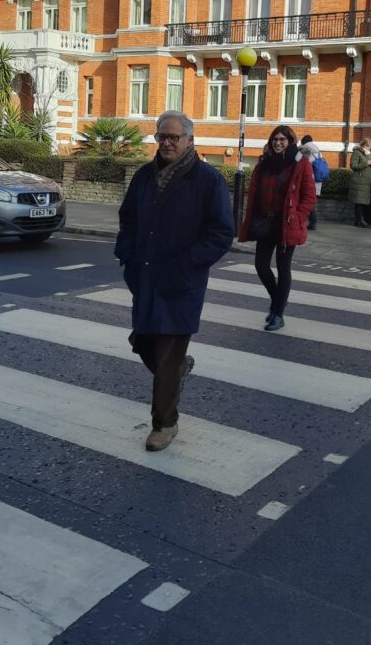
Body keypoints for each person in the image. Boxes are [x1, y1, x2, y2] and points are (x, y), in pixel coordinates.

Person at [114, 111, 234, 452]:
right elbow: (128, 218)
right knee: (143, 342)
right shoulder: (144, 176)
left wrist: (187, 266)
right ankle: (181, 368)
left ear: (189, 141)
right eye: (161, 136)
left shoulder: (207, 180)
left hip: (181, 283)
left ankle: (164, 424)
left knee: (165, 357)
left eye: (174, 137)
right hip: (146, 277)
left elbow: (222, 233)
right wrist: (127, 255)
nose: (167, 142)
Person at [239, 124, 316, 331]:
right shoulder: (264, 163)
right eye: (275, 139)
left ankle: (278, 314)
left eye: (282, 139)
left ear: (290, 141)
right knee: (261, 266)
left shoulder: (301, 164)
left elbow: (309, 197)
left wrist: (298, 217)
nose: (278, 143)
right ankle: (278, 301)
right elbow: (255, 191)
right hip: (265, 221)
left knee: (283, 268)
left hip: (286, 223)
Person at [349, 137, 371, 227]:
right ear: (363, 145)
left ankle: (361, 220)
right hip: (359, 181)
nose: (369, 148)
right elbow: (353, 166)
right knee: (359, 202)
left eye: (370, 146)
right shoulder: (356, 153)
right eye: (367, 146)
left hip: (368, 181)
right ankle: (360, 221)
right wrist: (366, 163)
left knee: (365, 202)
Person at [299, 134, 322, 230]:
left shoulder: (304, 148)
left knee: (306, 201)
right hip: (317, 179)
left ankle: (312, 222)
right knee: (312, 201)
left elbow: (298, 160)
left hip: (308, 179)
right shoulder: (318, 151)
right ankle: (312, 222)